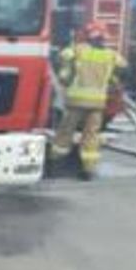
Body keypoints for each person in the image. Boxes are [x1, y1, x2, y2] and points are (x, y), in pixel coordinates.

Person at [51, 23, 127, 176]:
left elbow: (62, 69)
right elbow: (123, 71)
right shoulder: (112, 55)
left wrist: (64, 78)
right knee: (91, 135)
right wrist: (112, 82)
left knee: (65, 132)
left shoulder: (76, 51)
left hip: (76, 102)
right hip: (97, 103)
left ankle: (55, 162)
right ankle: (89, 169)